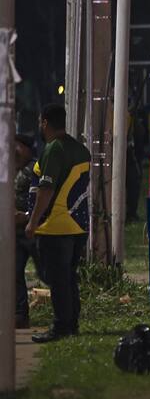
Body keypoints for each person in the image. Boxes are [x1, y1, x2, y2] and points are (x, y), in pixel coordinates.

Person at [25, 104, 90, 343]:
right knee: (68, 277)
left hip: (56, 226)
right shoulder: (80, 149)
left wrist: (32, 222)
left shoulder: (54, 149)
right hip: (77, 225)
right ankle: (71, 323)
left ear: (44, 122)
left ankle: (61, 326)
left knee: (57, 279)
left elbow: (47, 188)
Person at [13, 133, 38, 330]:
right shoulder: (10, 170)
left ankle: (64, 316)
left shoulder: (35, 170)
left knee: (48, 273)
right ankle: (20, 315)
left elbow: (45, 197)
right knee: (13, 271)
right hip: (15, 232)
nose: (14, 151)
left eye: (18, 147)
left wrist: (29, 216)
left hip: (36, 230)